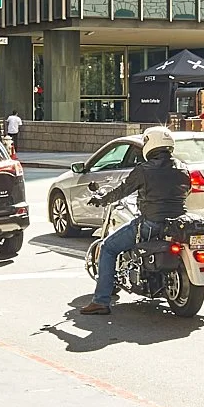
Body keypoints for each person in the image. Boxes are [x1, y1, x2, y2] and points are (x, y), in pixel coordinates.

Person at [78, 124, 188, 317]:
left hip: (151, 223)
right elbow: (187, 191)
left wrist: (101, 199)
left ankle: (101, 301)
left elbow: (122, 190)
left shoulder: (144, 170)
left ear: (150, 144)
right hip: (177, 223)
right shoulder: (182, 167)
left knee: (108, 247)